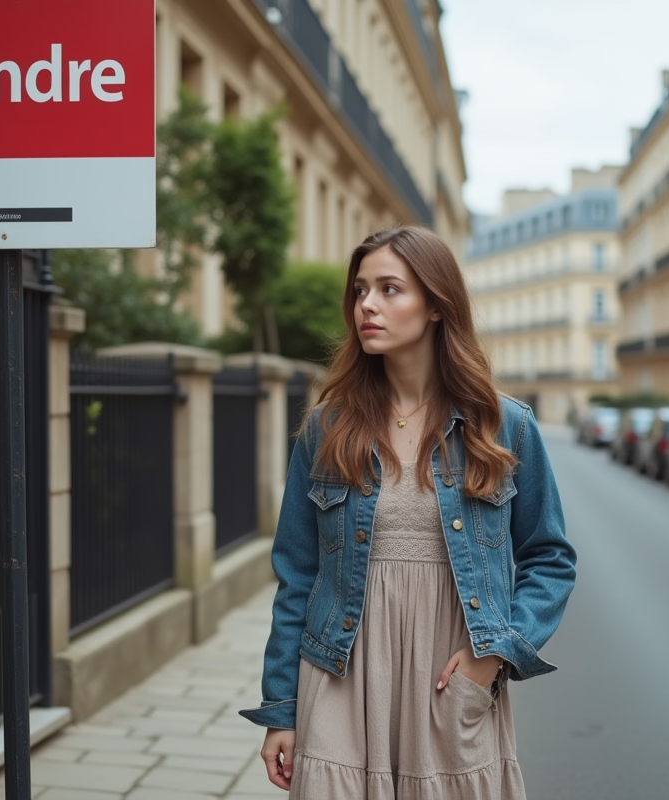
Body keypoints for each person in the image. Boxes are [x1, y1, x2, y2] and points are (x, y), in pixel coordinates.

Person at [239, 226, 577, 799]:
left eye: (389, 289)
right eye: (360, 290)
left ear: (437, 305)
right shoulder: (326, 428)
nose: (366, 304)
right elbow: (297, 576)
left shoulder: (505, 427)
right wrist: (282, 710)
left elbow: (550, 559)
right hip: (340, 674)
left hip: (449, 681)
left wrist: (491, 656)